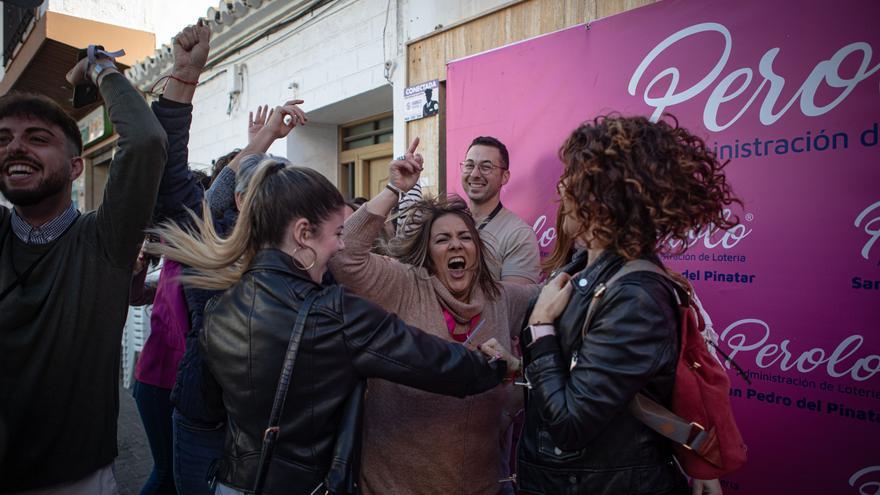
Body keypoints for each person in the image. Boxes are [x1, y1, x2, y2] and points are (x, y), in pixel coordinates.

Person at [147, 155, 513, 494]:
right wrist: (492, 365)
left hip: (234, 484)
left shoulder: (218, 309)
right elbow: (437, 364)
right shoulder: (335, 313)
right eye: (337, 233)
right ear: (304, 233)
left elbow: (208, 410)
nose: (341, 247)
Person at [481, 115, 738, 495]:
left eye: (575, 176)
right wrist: (520, 364)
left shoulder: (636, 295)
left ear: (604, 198)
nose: (563, 185)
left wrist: (540, 327)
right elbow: (587, 376)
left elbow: (570, 424)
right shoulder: (586, 269)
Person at [329, 138, 538, 494]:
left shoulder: (502, 298)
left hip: (481, 484)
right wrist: (394, 188)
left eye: (464, 238)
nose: (455, 245)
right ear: (427, 253)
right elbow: (343, 256)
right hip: (396, 485)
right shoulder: (404, 284)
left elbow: (554, 304)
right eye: (442, 240)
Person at [0, 48, 167, 491]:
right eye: (3, 139)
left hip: (75, 480)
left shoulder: (103, 242)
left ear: (77, 166)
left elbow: (147, 142)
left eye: (37, 138)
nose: (16, 146)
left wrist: (98, 70)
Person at [127, 21, 211, 495]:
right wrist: (185, 76)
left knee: (177, 479)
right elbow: (142, 295)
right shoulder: (187, 237)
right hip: (160, 378)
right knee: (168, 476)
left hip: (196, 388)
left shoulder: (222, 251)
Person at [459, 136, 540, 284]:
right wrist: (407, 189)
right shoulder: (449, 223)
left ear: (505, 177)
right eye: (469, 165)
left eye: (486, 167)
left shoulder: (519, 235)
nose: (475, 174)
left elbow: (514, 302)